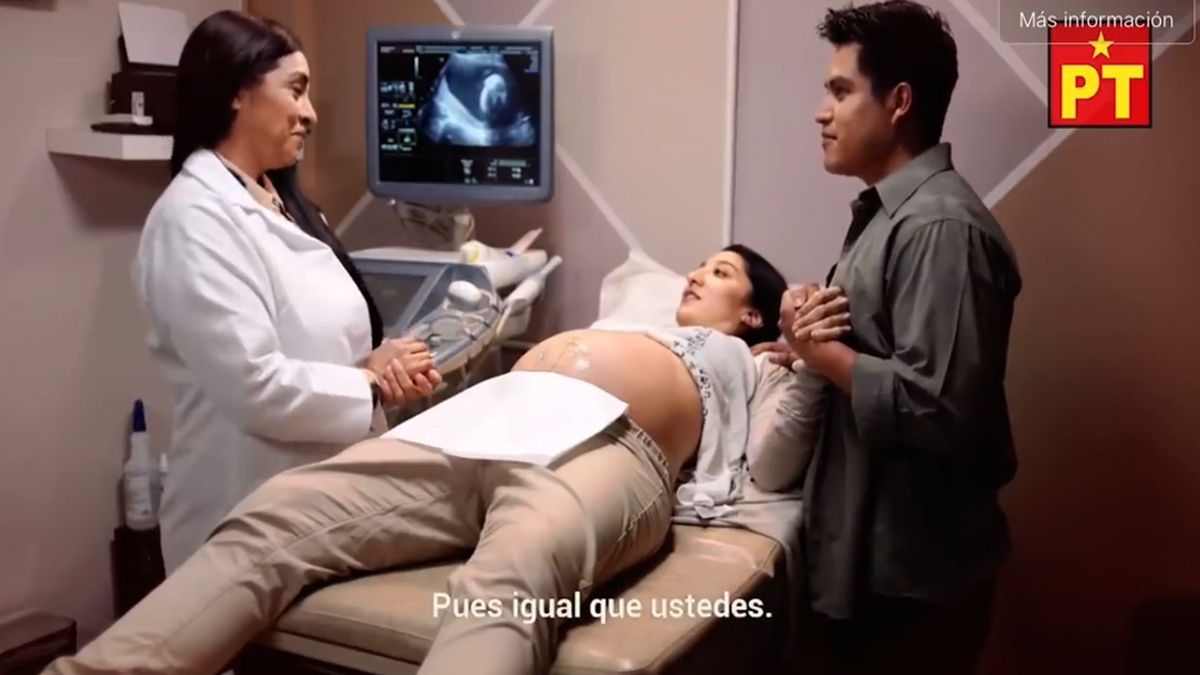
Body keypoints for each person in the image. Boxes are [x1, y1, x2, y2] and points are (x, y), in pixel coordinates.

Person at [45, 245, 848, 675]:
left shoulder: (756, 361)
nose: (698, 272)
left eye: (722, 271)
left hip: (608, 444)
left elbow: (775, 467)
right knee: (277, 512)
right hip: (483, 423)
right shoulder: (636, 323)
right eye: (699, 262)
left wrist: (808, 361)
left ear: (751, 312)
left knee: (514, 570)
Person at [772, 2, 1024, 673]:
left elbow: (937, 406)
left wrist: (821, 352)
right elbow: (879, 353)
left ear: (899, 102)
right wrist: (802, 355)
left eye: (840, 91)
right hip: (870, 573)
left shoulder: (940, 228)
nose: (821, 112)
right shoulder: (890, 217)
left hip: (912, 587)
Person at [139, 10, 440, 570]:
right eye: (296, 90)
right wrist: (370, 383)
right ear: (236, 93)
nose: (310, 112)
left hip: (319, 508)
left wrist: (374, 366)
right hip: (241, 518)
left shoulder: (284, 205)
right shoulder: (193, 219)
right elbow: (253, 384)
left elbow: (321, 348)